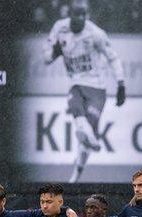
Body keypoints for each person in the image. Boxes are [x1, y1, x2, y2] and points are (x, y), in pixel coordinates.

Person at [44, 0, 126, 183]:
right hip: (77, 83)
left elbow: (113, 58)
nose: (78, 18)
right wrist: (54, 52)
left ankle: (77, 172)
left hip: (97, 88)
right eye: (75, 14)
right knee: (75, 106)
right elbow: (46, 57)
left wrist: (121, 84)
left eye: (82, 15)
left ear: (87, 16)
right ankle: (87, 134)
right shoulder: (59, 28)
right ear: (69, 14)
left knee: (86, 138)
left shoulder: (96, 34)